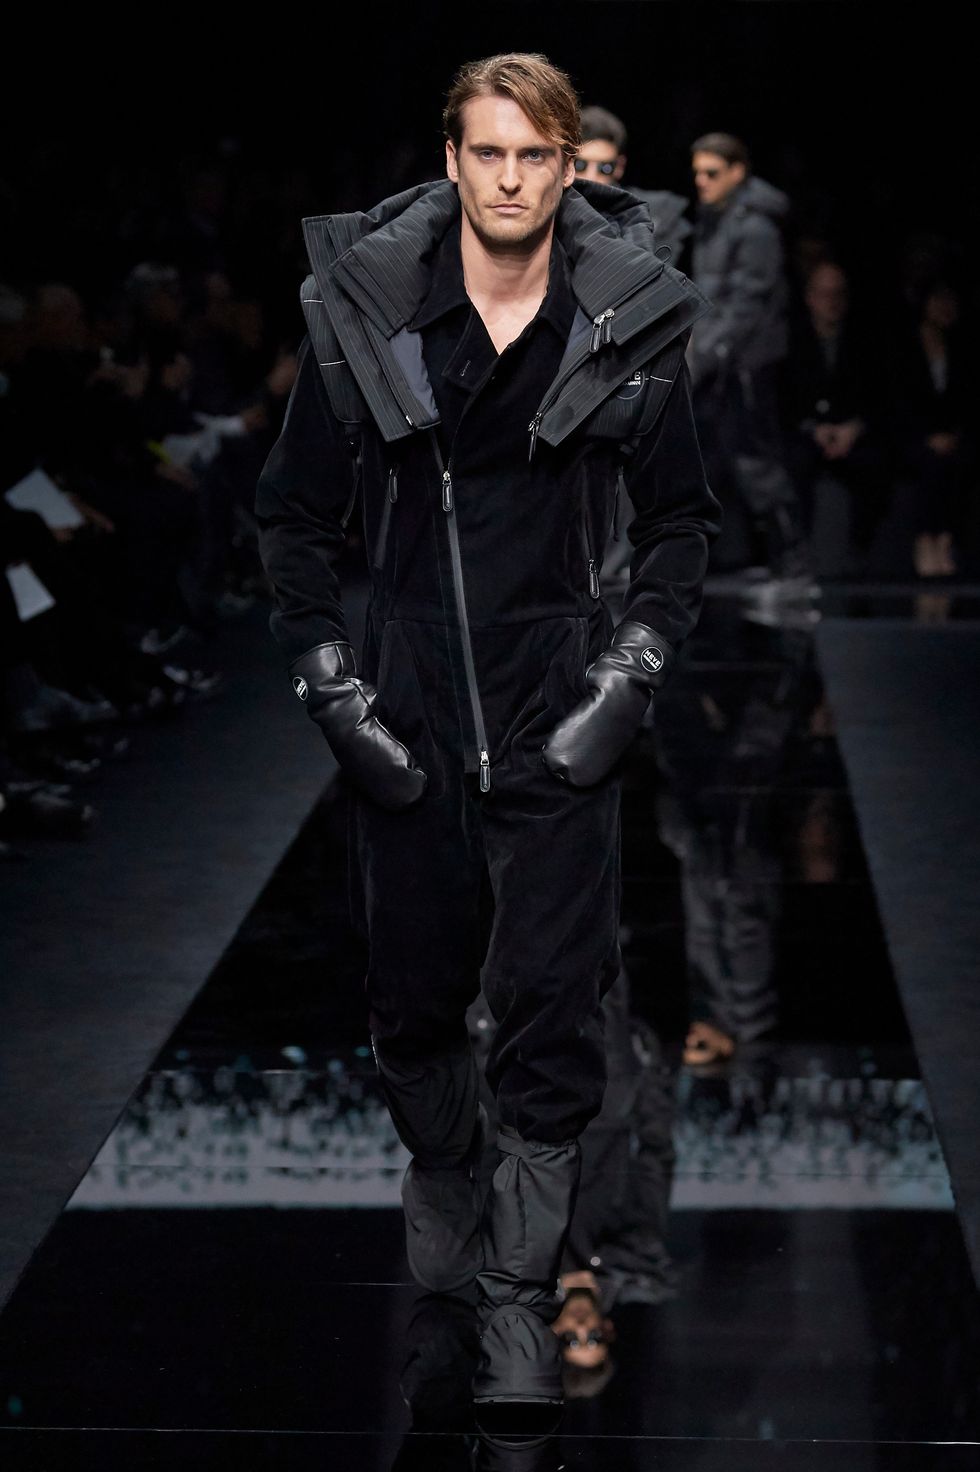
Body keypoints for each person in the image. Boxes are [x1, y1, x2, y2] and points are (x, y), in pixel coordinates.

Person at [255, 52, 720, 1426]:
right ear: (451, 160)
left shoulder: (622, 315)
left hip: (556, 703)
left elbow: (681, 521)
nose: (511, 180)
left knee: (551, 1016)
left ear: (566, 165)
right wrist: (332, 691)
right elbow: (291, 516)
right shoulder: (369, 314)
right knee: (412, 1008)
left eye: (535, 156)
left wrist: (628, 677)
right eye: (490, 153)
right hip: (406, 702)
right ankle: (448, 1192)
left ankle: (516, 1298)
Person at [687, 132, 814, 598]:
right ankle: (776, 561)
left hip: (747, 365)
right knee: (726, 461)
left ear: (737, 172)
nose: (701, 181)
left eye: (712, 173)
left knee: (757, 462)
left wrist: (704, 352)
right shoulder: (719, 219)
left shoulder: (755, 228)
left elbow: (747, 304)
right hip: (724, 361)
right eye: (698, 173)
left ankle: (793, 563)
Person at [577, 105, 692, 266]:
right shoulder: (550, 211)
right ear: (566, 164)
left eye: (605, 168)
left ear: (620, 166)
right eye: (580, 165)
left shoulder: (645, 216)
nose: (591, 177)